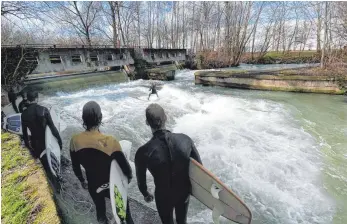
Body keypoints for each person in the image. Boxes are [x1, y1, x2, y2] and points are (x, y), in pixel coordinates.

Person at [135, 103, 202, 224]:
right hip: (183, 192)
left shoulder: (143, 152)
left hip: (163, 195)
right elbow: (200, 169)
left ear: (147, 122)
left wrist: (146, 194)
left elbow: (141, 183)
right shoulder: (185, 140)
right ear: (166, 117)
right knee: (182, 221)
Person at [69, 101, 134, 224]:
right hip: (112, 185)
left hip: (93, 185)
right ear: (101, 117)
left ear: (83, 118)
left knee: (100, 211)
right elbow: (126, 169)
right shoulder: (111, 141)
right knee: (125, 215)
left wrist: (82, 181)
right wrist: (128, 179)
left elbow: (75, 166)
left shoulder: (74, 140)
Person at [21, 91, 63, 186]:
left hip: (36, 144)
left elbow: (24, 134)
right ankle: (56, 181)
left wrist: (30, 148)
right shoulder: (44, 110)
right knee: (52, 163)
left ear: (28, 98)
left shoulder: (24, 114)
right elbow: (52, 128)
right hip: (48, 142)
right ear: (37, 98)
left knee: (44, 165)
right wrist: (59, 141)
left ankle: (49, 182)